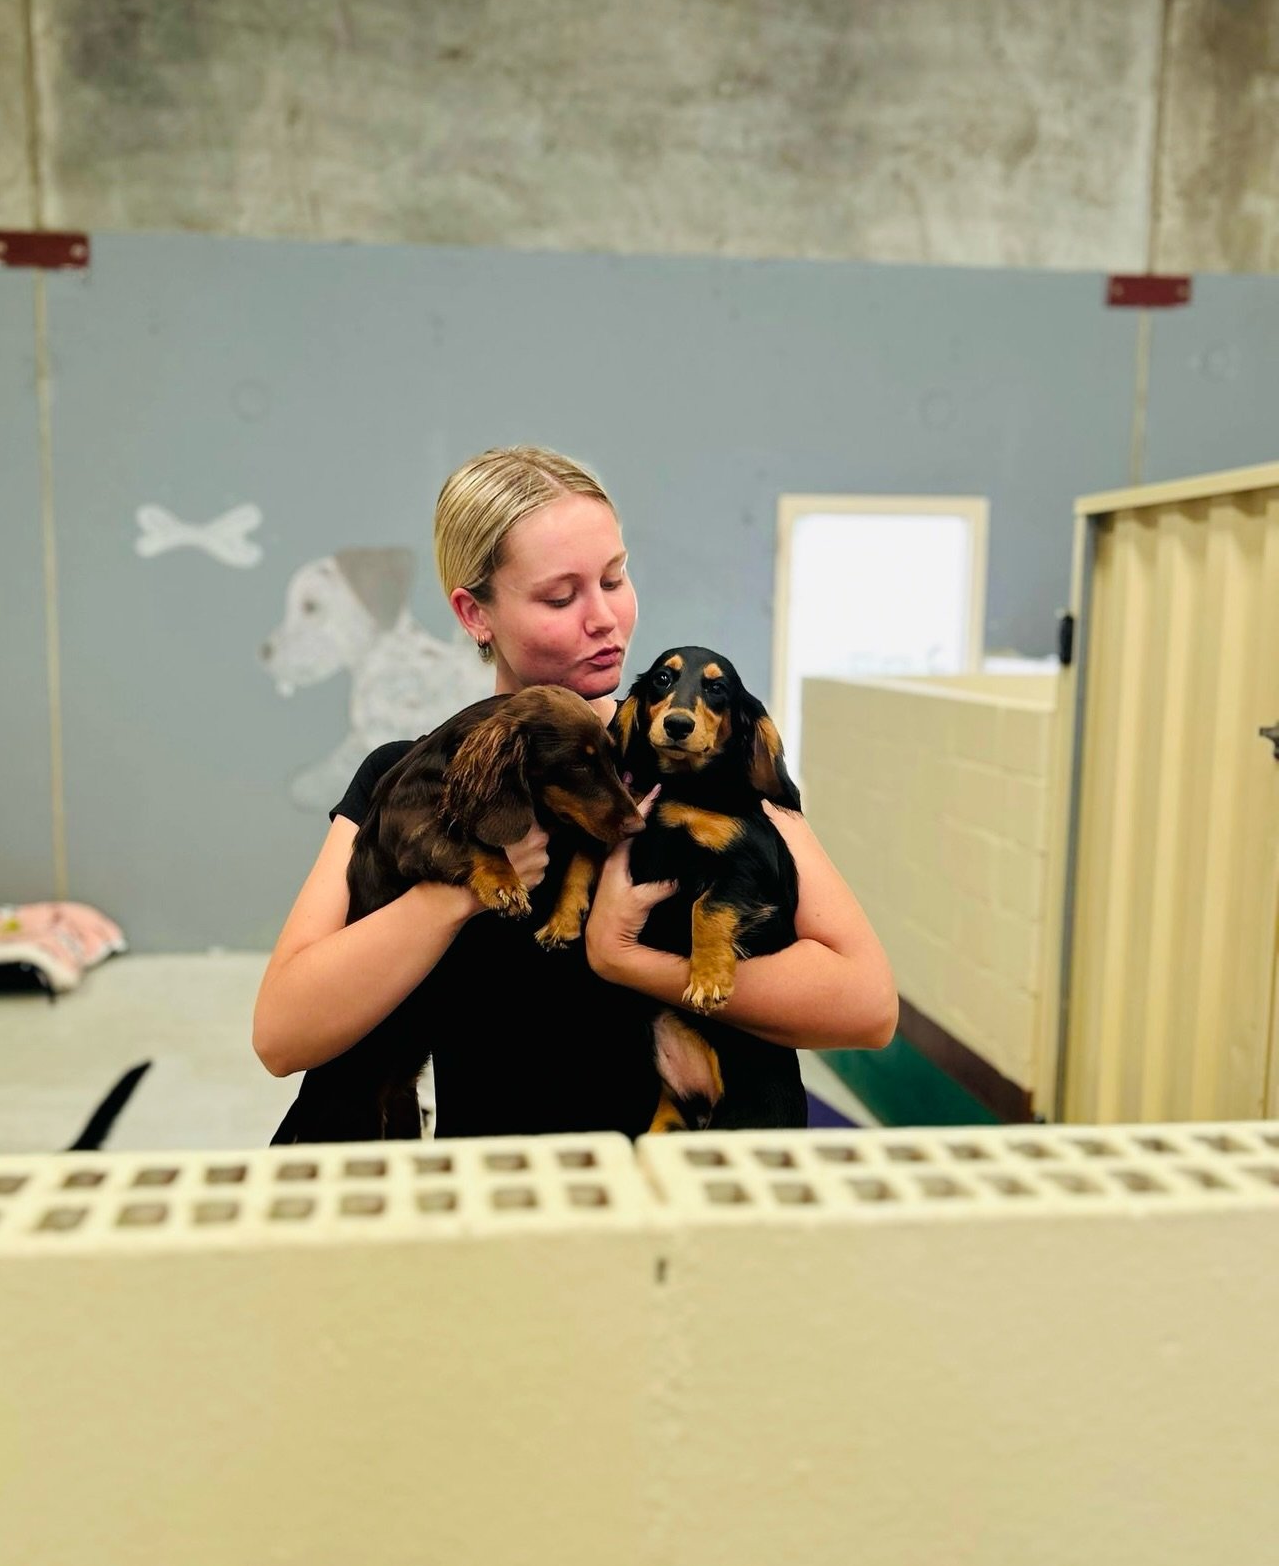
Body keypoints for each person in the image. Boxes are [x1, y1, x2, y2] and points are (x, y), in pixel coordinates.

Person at [254, 446, 897, 1139]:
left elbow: (866, 1006)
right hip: (506, 1202)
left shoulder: (703, 766)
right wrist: (464, 887)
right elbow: (283, 1035)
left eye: (615, 579)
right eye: (561, 596)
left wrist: (628, 960)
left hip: (689, 1204)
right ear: (475, 615)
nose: (606, 620)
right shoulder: (408, 783)